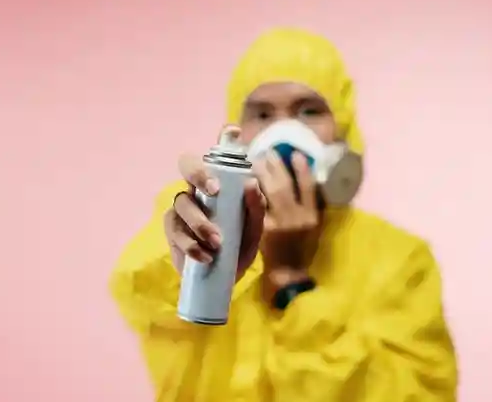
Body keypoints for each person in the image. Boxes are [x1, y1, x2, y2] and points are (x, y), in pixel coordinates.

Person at [110, 27, 458, 402]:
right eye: (262, 114)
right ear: (237, 132)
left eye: (308, 111)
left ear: (343, 129)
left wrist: (291, 281)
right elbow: (144, 295)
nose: (285, 133)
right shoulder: (196, 216)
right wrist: (199, 260)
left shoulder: (400, 260)